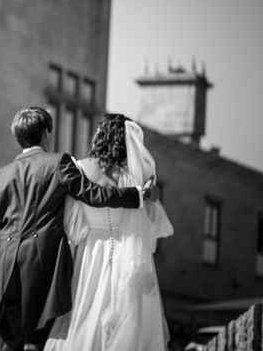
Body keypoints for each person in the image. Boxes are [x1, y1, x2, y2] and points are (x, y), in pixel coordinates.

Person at [0, 107, 159, 351]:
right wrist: (135, 195)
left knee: (11, 341)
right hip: (44, 261)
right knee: (39, 338)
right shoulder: (58, 163)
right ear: (47, 133)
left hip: (7, 265)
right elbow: (93, 194)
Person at [44, 113, 174, 351]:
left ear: (99, 136)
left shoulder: (80, 169)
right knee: (128, 314)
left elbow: (72, 225)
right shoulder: (134, 174)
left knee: (86, 311)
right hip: (128, 253)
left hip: (91, 253)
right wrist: (148, 191)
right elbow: (153, 212)